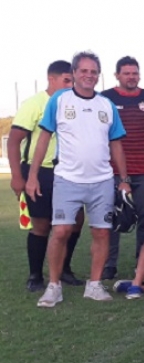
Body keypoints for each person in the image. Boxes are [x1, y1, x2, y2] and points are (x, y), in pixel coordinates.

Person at [25, 51, 133, 307]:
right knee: (61, 231)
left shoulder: (106, 105)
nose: (89, 75)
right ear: (74, 73)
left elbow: (116, 144)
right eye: (83, 71)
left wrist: (124, 179)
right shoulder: (60, 100)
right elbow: (43, 139)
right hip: (67, 179)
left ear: (99, 75)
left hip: (102, 181)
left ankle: (94, 285)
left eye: (93, 72)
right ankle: (54, 286)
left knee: (102, 233)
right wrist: (32, 176)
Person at [7, 59, 84, 291]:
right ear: (52, 79)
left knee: (76, 221)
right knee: (41, 224)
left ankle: (64, 269)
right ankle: (35, 276)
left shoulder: (74, 103)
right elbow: (13, 141)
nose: (70, 85)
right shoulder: (35, 104)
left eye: (72, 81)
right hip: (40, 171)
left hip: (69, 172)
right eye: (66, 80)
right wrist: (17, 176)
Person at [100, 56, 144, 280]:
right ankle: (109, 265)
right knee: (112, 218)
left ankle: (141, 262)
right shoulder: (105, 98)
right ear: (117, 75)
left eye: (134, 73)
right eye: (126, 73)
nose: (131, 77)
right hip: (112, 171)